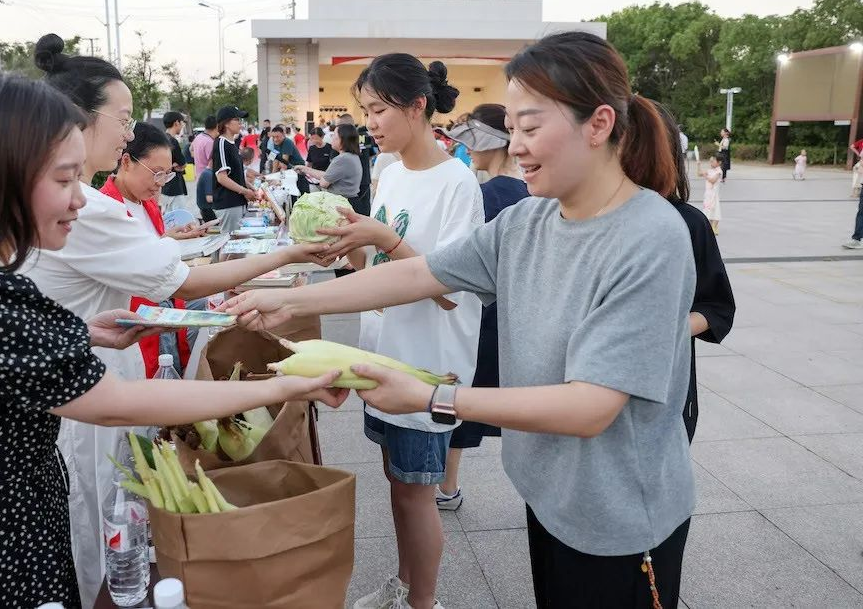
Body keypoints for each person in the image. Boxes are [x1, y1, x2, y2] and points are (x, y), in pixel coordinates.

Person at [225, 32, 698, 609]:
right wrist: (291, 304)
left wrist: (433, 398)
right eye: (512, 129)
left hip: (620, 517)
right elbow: (418, 274)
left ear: (598, 124)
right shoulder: (527, 221)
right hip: (550, 493)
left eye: (530, 128)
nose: (515, 147)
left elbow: (590, 407)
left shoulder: (651, 237)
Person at [0, 68, 348, 609]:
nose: (78, 201)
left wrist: (78, 332)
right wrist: (283, 386)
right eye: (63, 181)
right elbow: (116, 403)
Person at [24, 37, 331, 605]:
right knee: (104, 531)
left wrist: (83, 330)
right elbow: (181, 283)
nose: (127, 134)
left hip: (91, 369)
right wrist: (288, 256)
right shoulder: (85, 208)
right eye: (122, 120)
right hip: (89, 394)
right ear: (77, 119)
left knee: (104, 525)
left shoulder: (73, 207)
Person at [248, 54, 483, 609]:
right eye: (365, 110)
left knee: (416, 496)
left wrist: (382, 237)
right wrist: (344, 248)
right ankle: (404, 586)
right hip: (381, 353)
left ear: (417, 106)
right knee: (398, 488)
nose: (369, 122)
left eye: (379, 109)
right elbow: (375, 271)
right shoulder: (392, 172)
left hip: (424, 364)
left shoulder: (457, 183)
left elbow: (450, 290)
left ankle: (423, 601)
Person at [435, 104, 528, 512]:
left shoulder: (485, 194)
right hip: (523, 316)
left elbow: (455, 263)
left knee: (462, 397)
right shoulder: (531, 193)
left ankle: (446, 486)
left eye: (473, 140)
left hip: (483, 315)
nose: (467, 149)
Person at [652, 105, 735, 442]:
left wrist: (664, 331)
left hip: (664, 387)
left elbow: (717, 307)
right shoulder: (583, 216)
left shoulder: (688, 223)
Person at [100, 122, 206, 375]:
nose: (160, 183)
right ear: (127, 161)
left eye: (167, 175)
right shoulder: (106, 209)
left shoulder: (146, 204)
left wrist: (169, 237)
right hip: (136, 323)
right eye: (156, 173)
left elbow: (150, 250)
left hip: (161, 313)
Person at [213, 105, 260, 233]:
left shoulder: (232, 144)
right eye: (237, 120)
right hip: (228, 203)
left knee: (238, 239)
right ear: (226, 123)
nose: (241, 123)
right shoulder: (222, 143)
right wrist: (244, 191)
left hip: (237, 202)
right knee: (230, 240)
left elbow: (236, 174)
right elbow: (222, 177)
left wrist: (249, 187)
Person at [295, 124, 363, 200]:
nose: (332, 137)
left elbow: (323, 183)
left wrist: (323, 179)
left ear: (342, 139)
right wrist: (304, 169)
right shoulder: (352, 156)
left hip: (341, 201)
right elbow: (327, 175)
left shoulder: (342, 159)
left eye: (334, 135)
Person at [160, 111, 189, 212]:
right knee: (180, 215)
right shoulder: (173, 141)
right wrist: (175, 165)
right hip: (175, 186)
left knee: (168, 215)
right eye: (182, 123)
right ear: (176, 123)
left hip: (165, 185)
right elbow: (183, 163)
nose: (182, 126)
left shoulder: (162, 139)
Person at [270, 125, 310, 195]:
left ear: (283, 135)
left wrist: (278, 179)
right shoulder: (274, 143)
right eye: (273, 137)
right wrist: (272, 176)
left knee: (301, 193)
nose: (275, 139)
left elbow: (284, 165)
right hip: (289, 170)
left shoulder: (287, 142)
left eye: (277, 137)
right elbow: (274, 160)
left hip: (298, 169)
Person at [700, 155, 723, 234]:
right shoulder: (710, 170)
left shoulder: (719, 171)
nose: (711, 162)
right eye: (711, 161)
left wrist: (705, 176)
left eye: (713, 161)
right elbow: (699, 174)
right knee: (708, 210)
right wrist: (698, 165)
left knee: (715, 209)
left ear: (719, 162)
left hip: (714, 194)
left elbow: (713, 181)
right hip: (708, 194)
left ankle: (714, 227)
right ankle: (709, 227)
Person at [191, 115, 218, 180]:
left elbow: (191, 150)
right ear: (217, 126)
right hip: (208, 178)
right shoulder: (210, 142)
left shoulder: (198, 137)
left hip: (199, 176)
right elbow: (212, 163)